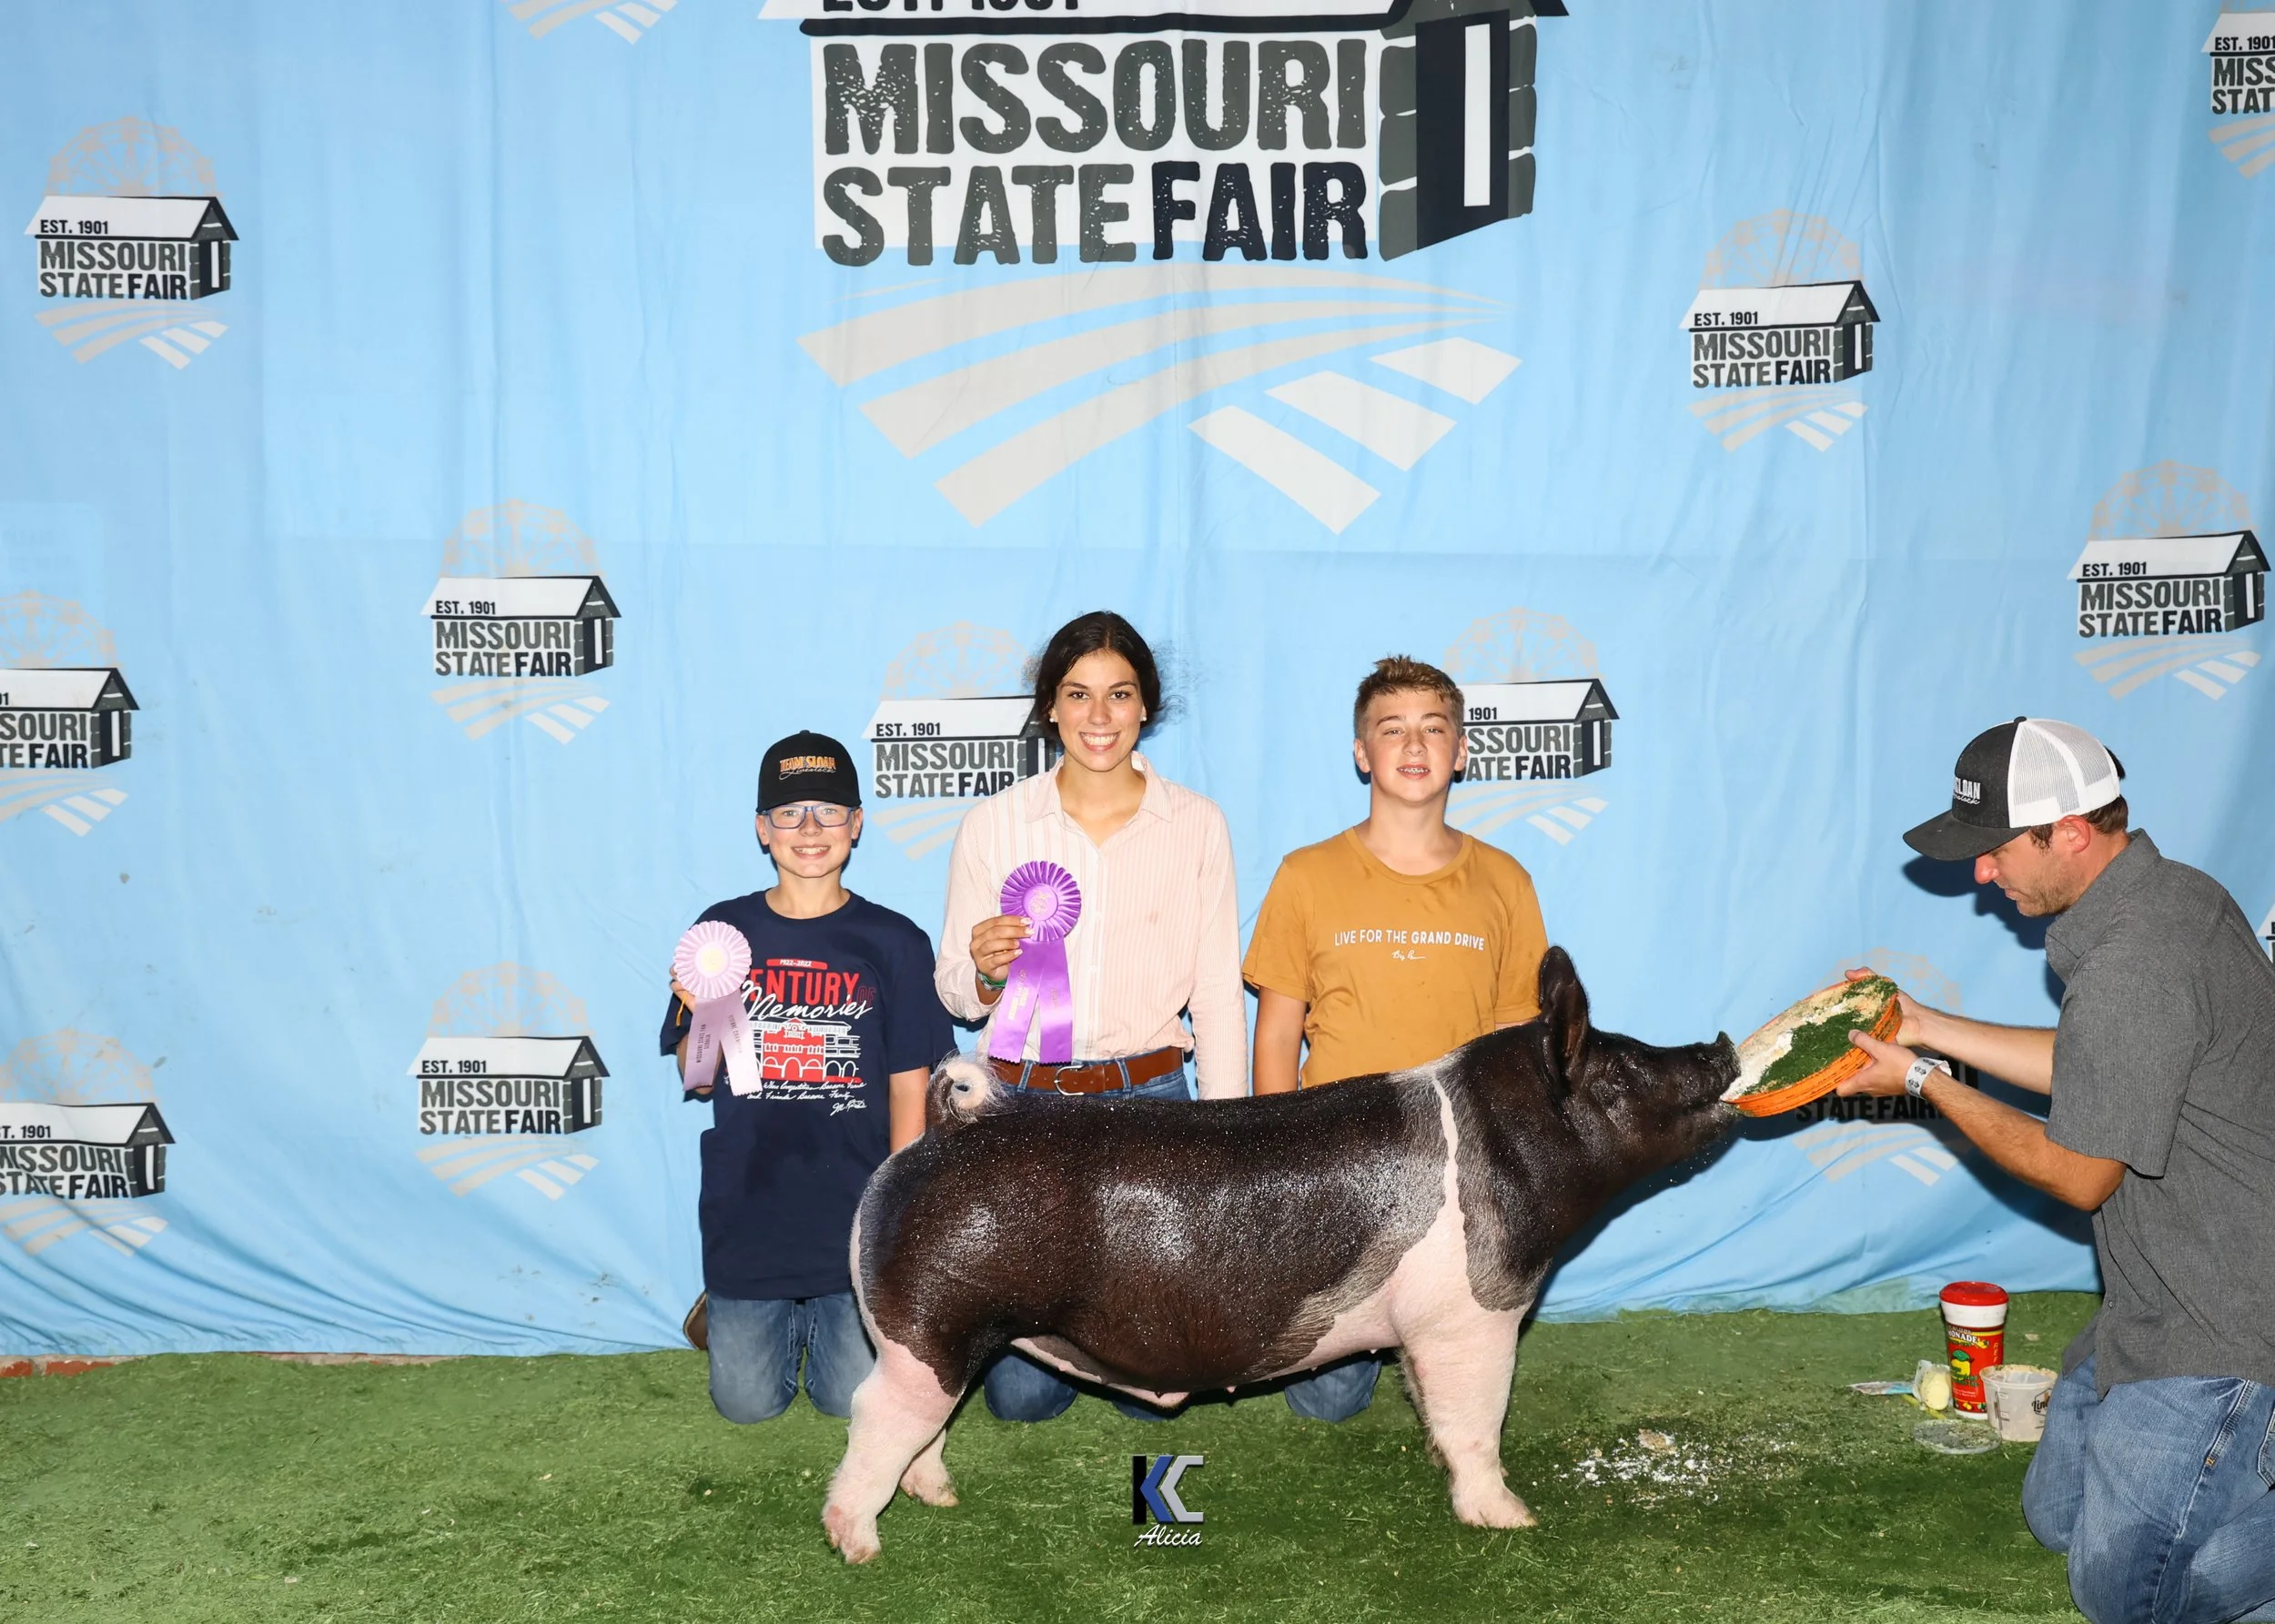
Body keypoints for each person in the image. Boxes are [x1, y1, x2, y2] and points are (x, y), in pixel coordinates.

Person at [1841, 716, 2275, 1624]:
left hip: (2229, 1318)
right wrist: (1921, 1023)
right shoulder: (2166, 898)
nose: (1981, 872)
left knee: (2128, 1595)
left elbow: (2080, 1175)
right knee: (2055, 1520)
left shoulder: (2138, 959)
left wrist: (1922, 1082)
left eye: (1995, 849)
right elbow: (2100, 1065)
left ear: (2068, 832)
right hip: (2154, 1296)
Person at [935, 610, 1245, 1422]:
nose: (1098, 716)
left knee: (1159, 1405)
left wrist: (1228, 1137)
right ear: (1050, 707)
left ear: (1146, 706)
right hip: (1025, 1105)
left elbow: (1217, 993)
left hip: (1152, 1105)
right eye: (1078, 694)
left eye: (1119, 694)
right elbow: (956, 994)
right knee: (1019, 1398)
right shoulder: (992, 823)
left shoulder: (1198, 824)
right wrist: (988, 970)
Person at [1241, 654, 1550, 1422]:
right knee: (1328, 1403)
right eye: (1392, 730)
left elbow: (1520, 1042)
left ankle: (1432, 1319)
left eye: (1433, 729)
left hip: (1457, 1168)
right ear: (1362, 752)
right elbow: (1277, 1032)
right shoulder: (1306, 875)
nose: (1413, 746)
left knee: (1461, 1344)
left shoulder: (1506, 881)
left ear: (1462, 749)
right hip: (1337, 1158)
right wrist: (1282, 1163)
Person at [661, 731, 950, 1426]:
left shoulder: (896, 941)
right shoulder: (721, 931)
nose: (810, 830)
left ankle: (816, 1319)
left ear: (856, 823)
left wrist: (897, 1205)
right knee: (746, 1406)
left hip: (851, 1213)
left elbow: (912, 1083)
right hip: (751, 1206)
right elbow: (699, 1077)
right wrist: (706, 1017)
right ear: (763, 829)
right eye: (789, 814)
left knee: (844, 1401)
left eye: (828, 811)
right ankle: (734, 1310)